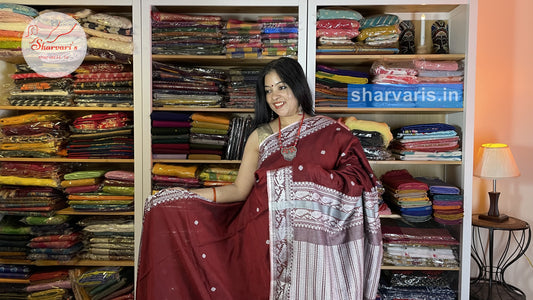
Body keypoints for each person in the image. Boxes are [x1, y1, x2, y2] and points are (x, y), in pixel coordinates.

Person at [136, 57, 383, 300]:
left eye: (282, 87)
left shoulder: (331, 131)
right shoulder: (260, 135)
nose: (275, 96)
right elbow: (239, 190)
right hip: (262, 239)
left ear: (297, 86)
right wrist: (186, 195)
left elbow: (358, 179)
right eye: (268, 91)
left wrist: (302, 178)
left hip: (314, 244)